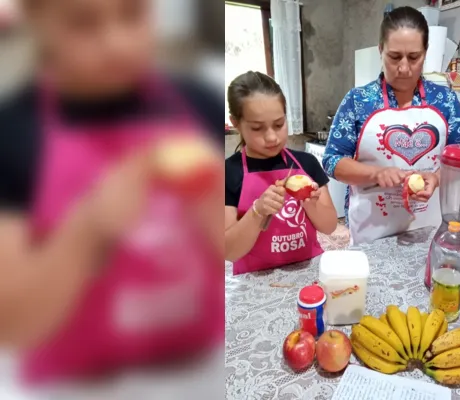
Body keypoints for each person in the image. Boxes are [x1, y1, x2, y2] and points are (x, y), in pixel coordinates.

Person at [0, 0, 224, 384]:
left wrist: (211, 203)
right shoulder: (15, 131)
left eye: (132, 14)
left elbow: (228, 254)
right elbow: (13, 324)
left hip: (201, 369)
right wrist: (88, 229)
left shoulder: (198, 103)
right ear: (38, 22)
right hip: (78, 385)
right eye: (83, 24)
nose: (116, 42)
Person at [322, 6, 460, 245]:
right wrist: (376, 173)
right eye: (394, 57)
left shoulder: (445, 100)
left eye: (413, 57)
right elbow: (332, 161)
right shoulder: (359, 101)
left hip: (428, 226)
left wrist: (436, 178)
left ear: (425, 52)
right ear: (381, 50)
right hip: (371, 231)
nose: (403, 68)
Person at [224, 71, 338, 274]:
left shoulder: (307, 163)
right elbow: (230, 251)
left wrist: (310, 203)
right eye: (257, 128)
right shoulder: (228, 172)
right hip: (255, 280)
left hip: (307, 270)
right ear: (236, 123)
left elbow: (330, 227)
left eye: (278, 125)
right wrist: (257, 211)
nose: (271, 137)